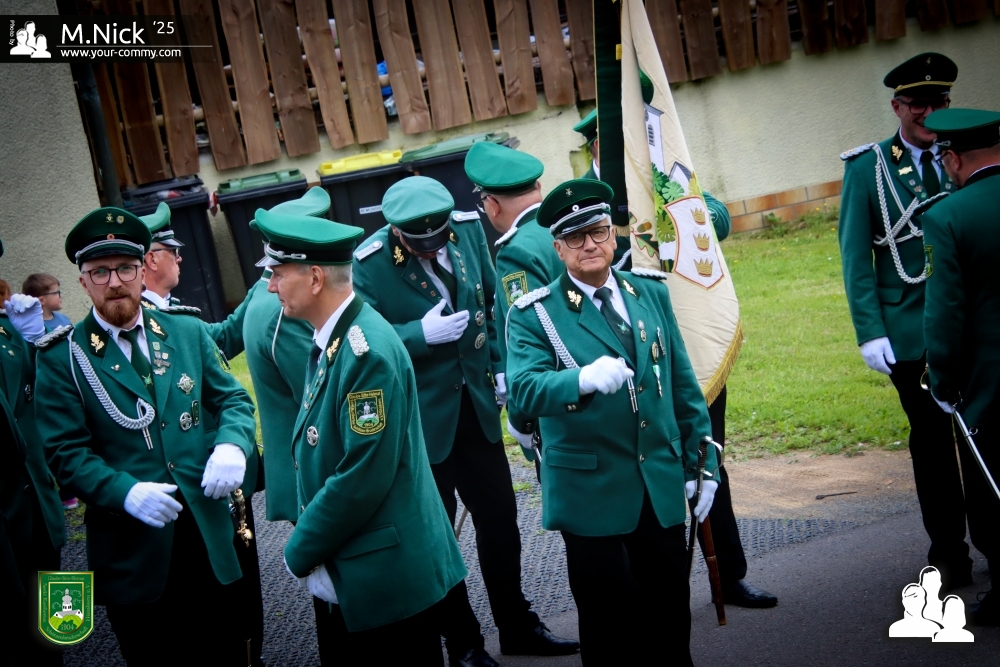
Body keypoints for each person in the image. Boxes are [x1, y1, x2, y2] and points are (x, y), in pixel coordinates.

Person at [353, 176, 578, 666]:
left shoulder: (468, 229)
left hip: (477, 406)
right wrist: (418, 334)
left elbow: (494, 305)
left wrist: (501, 366)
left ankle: (516, 625)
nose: (433, 251)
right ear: (397, 233)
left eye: (438, 241)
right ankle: (463, 643)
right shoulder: (369, 262)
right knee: (437, 535)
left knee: (500, 521)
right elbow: (362, 340)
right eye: (421, 245)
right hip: (423, 421)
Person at [505, 178, 718, 666]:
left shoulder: (650, 293)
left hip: (657, 478)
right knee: (608, 622)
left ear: (613, 234)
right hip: (591, 488)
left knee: (669, 611)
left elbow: (681, 384)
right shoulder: (536, 314)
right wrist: (578, 380)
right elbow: (524, 390)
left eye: (598, 231)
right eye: (574, 238)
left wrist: (703, 463)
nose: (589, 245)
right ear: (558, 249)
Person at [33, 207, 259, 665]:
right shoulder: (64, 359)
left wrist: (232, 443)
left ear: (142, 270)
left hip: (205, 534)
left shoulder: (186, 331)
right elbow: (64, 453)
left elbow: (232, 399)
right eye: (100, 272)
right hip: (133, 545)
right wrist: (125, 491)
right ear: (83, 282)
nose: (115, 282)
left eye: (125, 268)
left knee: (227, 652)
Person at [572, 112, 774, 609]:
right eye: (623, 141)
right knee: (638, 473)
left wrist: (674, 216)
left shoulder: (666, 179)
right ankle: (651, 589)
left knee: (707, 460)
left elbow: (719, 217)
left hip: (687, 348)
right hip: (626, 360)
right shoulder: (582, 199)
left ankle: (729, 573)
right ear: (599, 146)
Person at [252, 205, 468, 665]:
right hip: (359, 562)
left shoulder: (364, 352)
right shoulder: (334, 339)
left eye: (278, 273)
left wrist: (301, 549)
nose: (270, 286)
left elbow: (361, 474)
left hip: (384, 575)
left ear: (314, 278)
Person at [838, 52, 972, 593]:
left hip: (968, 324)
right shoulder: (866, 168)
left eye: (939, 101)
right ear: (897, 106)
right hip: (909, 331)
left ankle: (996, 543)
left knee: (982, 438)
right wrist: (870, 331)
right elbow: (856, 258)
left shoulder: (968, 151)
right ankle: (949, 553)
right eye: (918, 102)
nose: (929, 112)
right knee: (934, 445)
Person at [204, 187, 333, 666]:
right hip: (315, 471)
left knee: (335, 599)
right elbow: (321, 399)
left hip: (303, 467)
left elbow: (224, 336)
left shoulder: (264, 289)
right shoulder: (285, 308)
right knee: (341, 605)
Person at [921, 107, 1000, 625]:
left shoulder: (947, 216)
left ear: (951, 158)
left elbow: (945, 311)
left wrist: (943, 377)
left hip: (988, 378)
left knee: (990, 481)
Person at [462, 141, 562, 466]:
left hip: (555, 406)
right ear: (539, 187)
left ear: (492, 204)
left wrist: (521, 417)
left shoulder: (516, 251)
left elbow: (527, 339)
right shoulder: (565, 227)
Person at [1, 241, 65, 666]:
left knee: (60, 623)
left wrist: (36, 342)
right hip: (7, 507)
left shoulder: (8, 329)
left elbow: (47, 397)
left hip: (38, 498)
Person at [138, 202, 184, 310]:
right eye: (174, 251)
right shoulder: (140, 315)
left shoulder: (166, 307)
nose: (179, 258)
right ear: (152, 260)